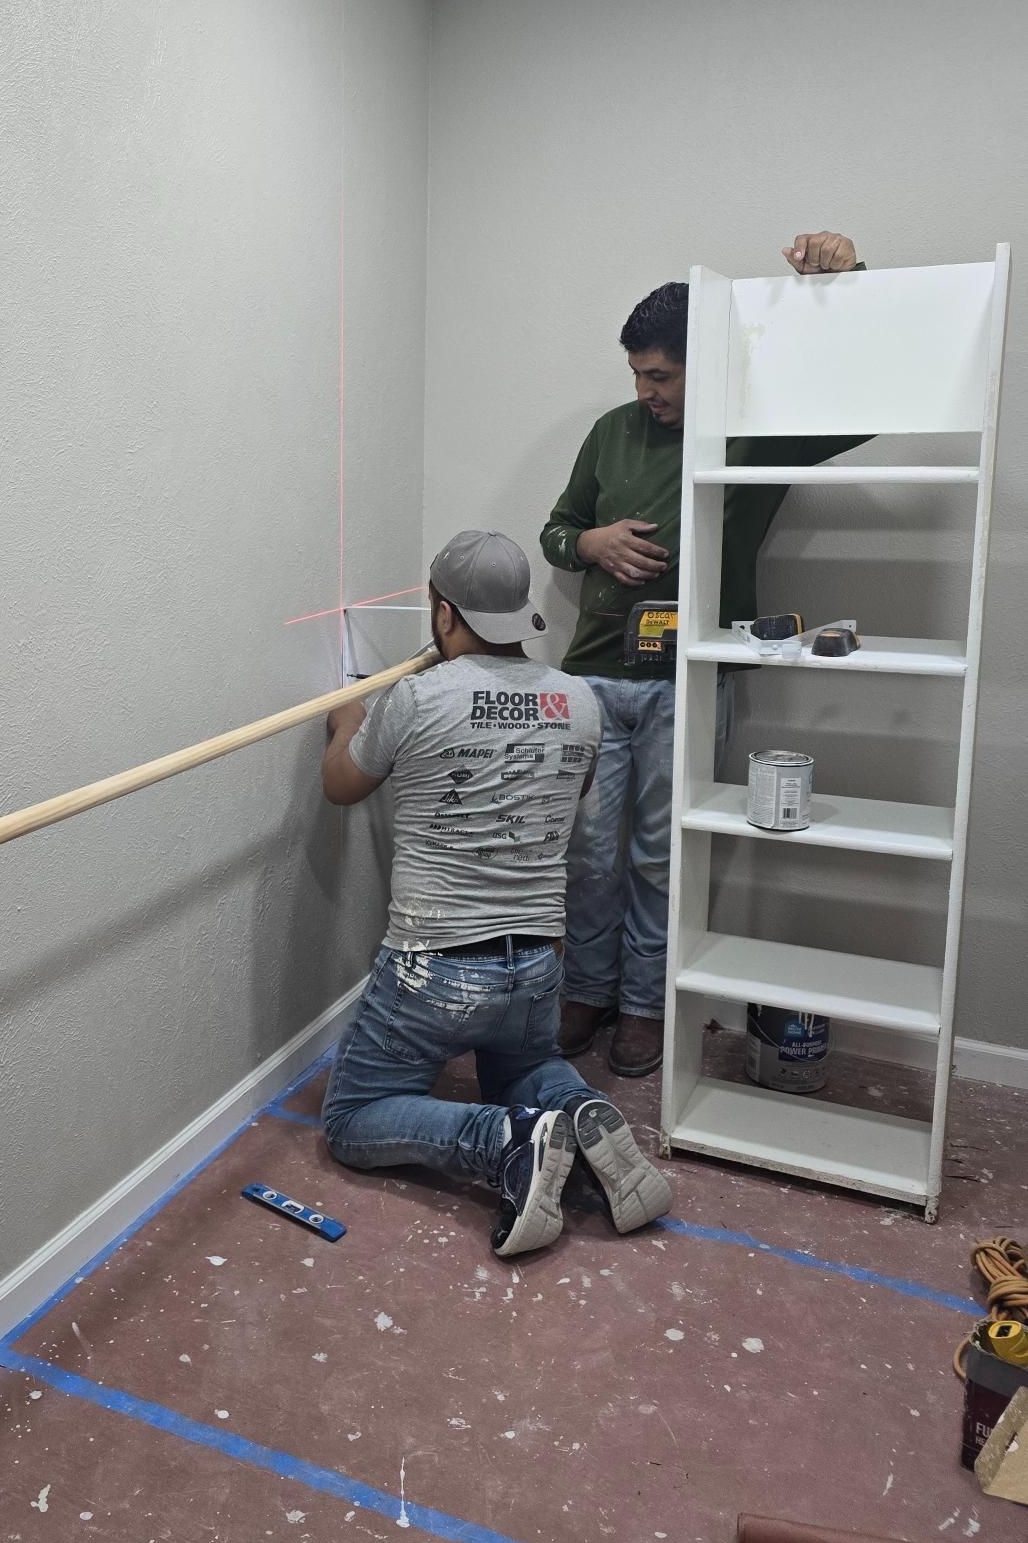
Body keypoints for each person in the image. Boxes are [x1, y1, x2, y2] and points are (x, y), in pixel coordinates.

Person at [540, 230, 866, 1080]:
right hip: (595, 677)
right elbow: (556, 531)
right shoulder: (612, 433)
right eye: (637, 375)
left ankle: (645, 1004)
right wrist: (590, 543)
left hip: (689, 678)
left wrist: (847, 284)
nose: (645, 392)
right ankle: (587, 990)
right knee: (588, 852)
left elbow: (863, 400)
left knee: (661, 853)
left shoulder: (758, 433)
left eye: (661, 376)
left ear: (707, 364)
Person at [319, 528, 675, 1257]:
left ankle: (503, 1141)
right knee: (521, 1069)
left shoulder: (415, 697)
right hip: (538, 965)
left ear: (443, 613)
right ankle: (578, 1111)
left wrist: (347, 717)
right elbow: (574, 789)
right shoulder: (578, 699)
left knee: (351, 1120)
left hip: (434, 966)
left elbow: (341, 785)